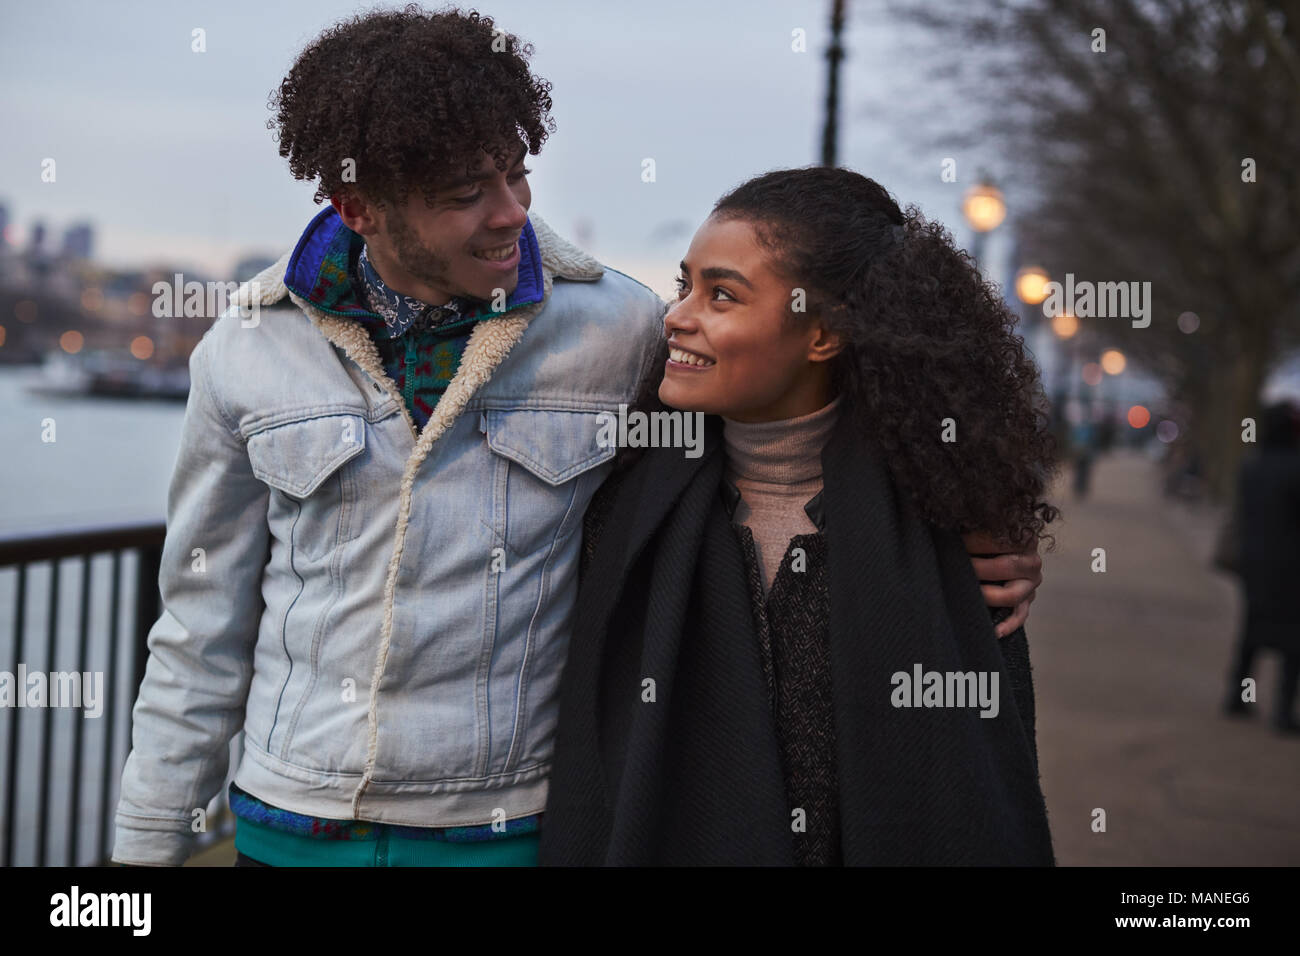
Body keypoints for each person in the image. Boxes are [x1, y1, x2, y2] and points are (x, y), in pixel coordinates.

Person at [113, 7, 1044, 868]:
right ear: (361, 208)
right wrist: (144, 854)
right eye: (466, 192)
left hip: (507, 829)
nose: (513, 210)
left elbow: (815, 395)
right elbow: (200, 625)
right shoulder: (245, 347)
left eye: (516, 173)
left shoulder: (621, 330)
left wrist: (969, 524)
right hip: (288, 821)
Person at [540, 167, 1059, 866]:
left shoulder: (947, 534)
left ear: (824, 335)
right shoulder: (627, 510)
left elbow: (979, 795)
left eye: (722, 294)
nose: (677, 315)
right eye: (683, 284)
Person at [1222, 401, 1300, 735]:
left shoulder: (1252, 465)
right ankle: (1283, 712)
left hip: (1253, 561)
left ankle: (1237, 696)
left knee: (1251, 631)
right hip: (1291, 566)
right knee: (1293, 642)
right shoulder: (1296, 468)